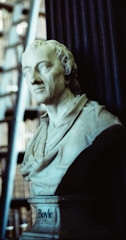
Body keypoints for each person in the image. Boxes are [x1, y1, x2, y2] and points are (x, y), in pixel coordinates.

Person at [20, 39, 126, 239]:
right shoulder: (38, 138)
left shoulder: (97, 121)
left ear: (67, 73)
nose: (33, 79)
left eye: (43, 67)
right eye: (27, 71)